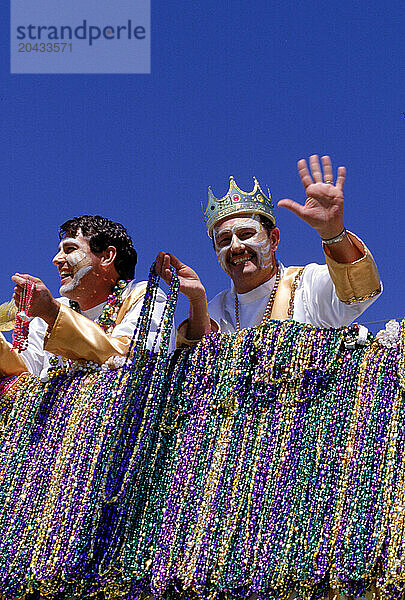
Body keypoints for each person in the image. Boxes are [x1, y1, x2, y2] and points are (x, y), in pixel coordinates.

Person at [156, 155, 382, 343]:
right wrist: (197, 300)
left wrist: (334, 233)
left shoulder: (306, 284)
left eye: (246, 234)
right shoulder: (218, 308)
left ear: (273, 240)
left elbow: (361, 293)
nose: (235, 246)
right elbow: (198, 370)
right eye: (224, 240)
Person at [0, 215, 175, 381]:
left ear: (107, 257)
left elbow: (132, 359)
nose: (57, 259)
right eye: (60, 251)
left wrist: (54, 314)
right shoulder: (52, 313)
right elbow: (23, 372)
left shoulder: (143, 296)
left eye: (70, 249)